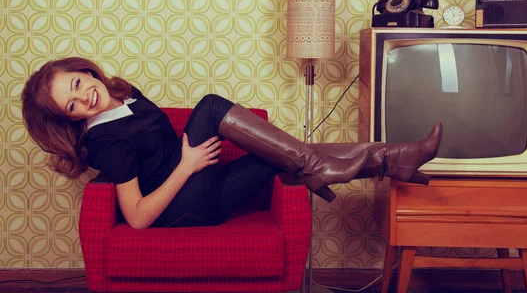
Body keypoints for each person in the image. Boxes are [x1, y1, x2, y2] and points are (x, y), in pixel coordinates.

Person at [21, 57, 443, 229]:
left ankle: (393, 161)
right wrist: (186, 166)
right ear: (70, 119)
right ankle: (375, 159)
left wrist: (188, 164)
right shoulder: (104, 140)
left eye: (77, 84)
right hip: (184, 208)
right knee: (209, 106)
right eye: (71, 106)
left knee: (289, 159)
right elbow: (136, 217)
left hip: (208, 188)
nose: (83, 98)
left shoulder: (123, 94)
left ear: (85, 70)